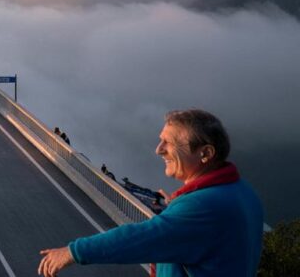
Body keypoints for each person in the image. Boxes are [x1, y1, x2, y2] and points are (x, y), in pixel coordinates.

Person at [38, 109, 263, 277]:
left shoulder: (204, 207)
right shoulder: (243, 193)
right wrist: (178, 205)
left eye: (168, 143)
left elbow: (139, 238)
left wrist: (72, 252)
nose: (158, 149)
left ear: (205, 153)